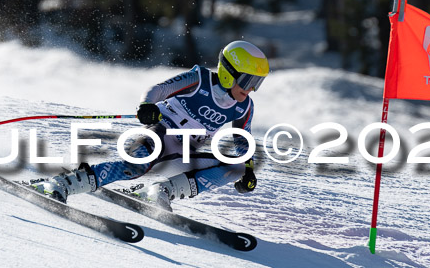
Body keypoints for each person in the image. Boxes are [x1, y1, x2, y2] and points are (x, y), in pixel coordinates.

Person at [30, 40, 269, 211]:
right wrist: (148, 105)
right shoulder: (199, 80)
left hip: (184, 152)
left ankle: (159, 192)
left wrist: (248, 170)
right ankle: (61, 183)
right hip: (161, 132)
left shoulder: (244, 106)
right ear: (229, 72)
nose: (250, 89)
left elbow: (242, 141)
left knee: (235, 167)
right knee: (135, 167)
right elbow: (160, 89)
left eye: (256, 83)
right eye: (247, 80)